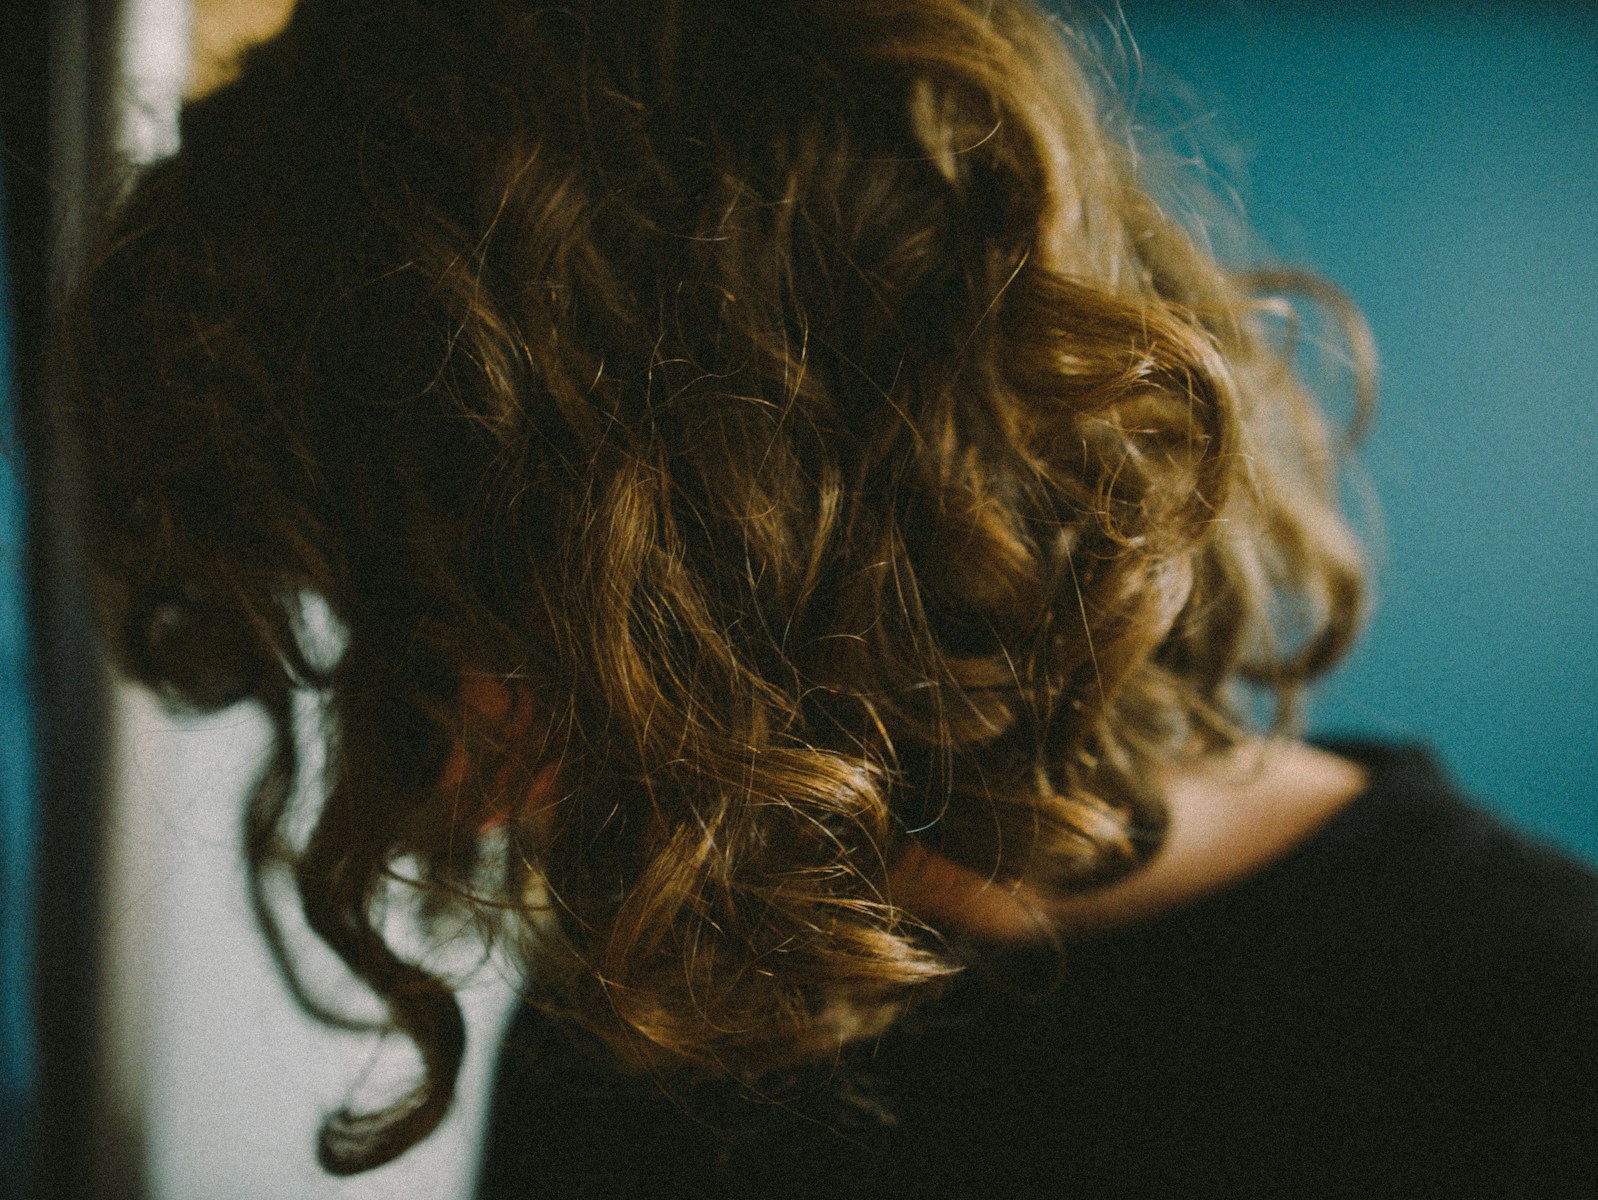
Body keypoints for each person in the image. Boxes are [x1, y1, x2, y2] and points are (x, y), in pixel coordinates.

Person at [60, 0, 1597, 1195]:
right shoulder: (652, 1017)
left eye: (457, 644)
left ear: (770, 526)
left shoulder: (1531, 1045)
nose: (449, 797)